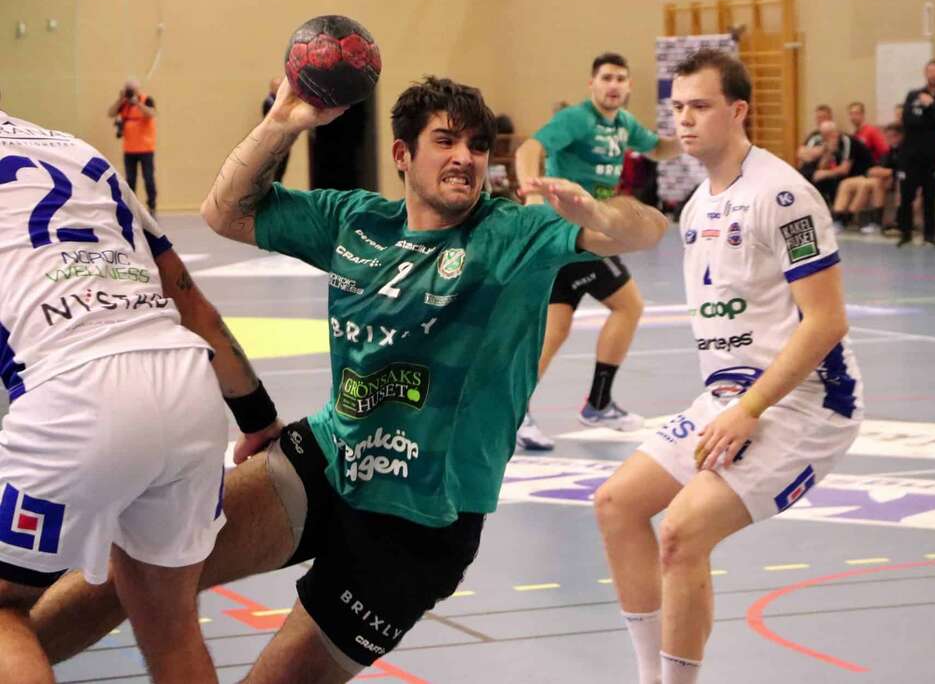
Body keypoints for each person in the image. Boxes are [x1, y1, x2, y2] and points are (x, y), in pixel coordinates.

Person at [30, 76, 667, 681]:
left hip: (421, 525)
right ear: (402, 154)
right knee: (134, 567)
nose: (465, 158)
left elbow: (648, 230)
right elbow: (224, 212)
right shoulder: (356, 221)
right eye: (445, 140)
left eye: (477, 145)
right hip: (332, 458)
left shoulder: (512, 233)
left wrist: (603, 215)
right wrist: (283, 122)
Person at [593, 48, 862, 684]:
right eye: (678, 108)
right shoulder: (696, 207)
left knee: (683, 532)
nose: (685, 120)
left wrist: (749, 409)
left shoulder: (784, 195)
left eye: (701, 106)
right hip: (730, 396)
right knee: (616, 504)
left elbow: (827, 322)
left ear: (738, 110)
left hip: (806, 402)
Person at [0, 108, 275, 683]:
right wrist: (258, 418)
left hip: (75, 395)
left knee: (4, 610)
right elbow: (191, 303)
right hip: (186, 389)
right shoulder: (77, 151)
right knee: (171, 631)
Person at [514, 52, 680, 450]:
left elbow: (658, 149)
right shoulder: (577, 119)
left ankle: (526, 410)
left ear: (629, 86)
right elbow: (528, 149)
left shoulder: (623, 124)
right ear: (592, 84)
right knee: (627, 305)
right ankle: (593, 404)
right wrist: (531, 193)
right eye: (606, 78)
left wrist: (693, 140)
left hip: (586, 235)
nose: (613, 85)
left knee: (556, 328)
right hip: (570, 233)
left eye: (621, 78)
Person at [896, 59, 935, 247]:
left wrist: (931, 106)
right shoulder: (913, 95)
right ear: (925, 73)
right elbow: (908, 120)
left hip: (932, 155)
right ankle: (905, 233)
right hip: (910, 154)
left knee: (930, 196)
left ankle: (930, 235)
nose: (933, 74)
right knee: (907, 195)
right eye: (930, 71)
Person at [107, 78, 158, 215]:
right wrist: (120, 100)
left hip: (146, 149)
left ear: (137, 90)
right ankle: (131, 206)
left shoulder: (146, 100)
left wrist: (138, 103)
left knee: (148, 178)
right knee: (130, 179)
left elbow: (151, 114)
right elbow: (111, 113)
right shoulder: (124, 104)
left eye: (132, 90)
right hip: (129, 149)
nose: (130, 93)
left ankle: (152, 205)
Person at [262, 76, 291, 183]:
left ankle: (278, 183)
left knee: (282, 166)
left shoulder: (284, 102)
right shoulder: (269, 102)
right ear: (273, 88)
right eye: (278, 86)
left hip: (284, 137)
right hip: (274, 139)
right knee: (274, 166)